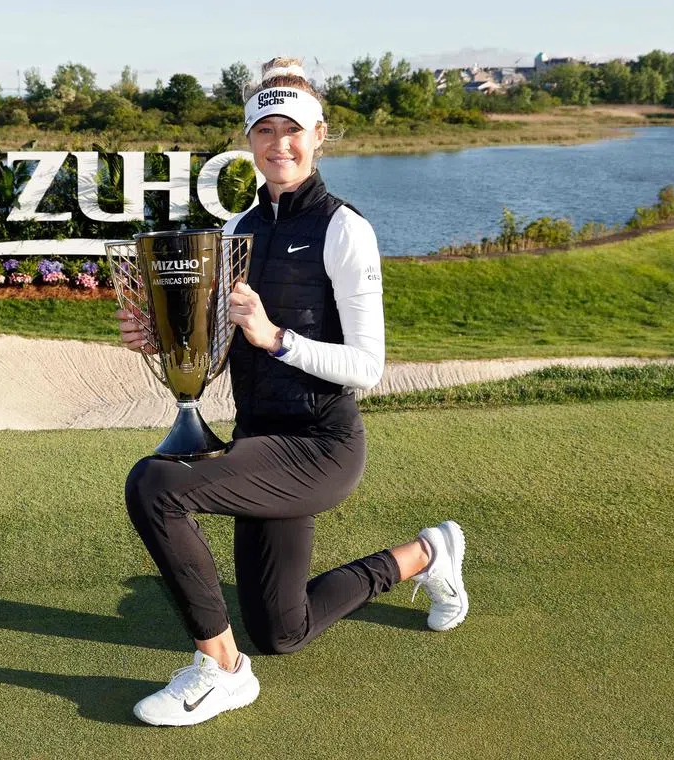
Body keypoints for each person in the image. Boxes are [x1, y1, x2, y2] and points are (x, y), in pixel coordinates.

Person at [115, 57, 469, 727]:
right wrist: (160, 340)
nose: (280, 144)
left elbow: (367, 366)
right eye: (265, 130)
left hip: (321, 446)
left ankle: (221, 672)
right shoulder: (237, 231)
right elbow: (216, 351)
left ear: (319, 135)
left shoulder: (344, 228)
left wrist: (277, 338)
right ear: (249, 140)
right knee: (282, 630)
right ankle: (427, 553)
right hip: (259, 440)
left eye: (293, 130)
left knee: (155, 486)